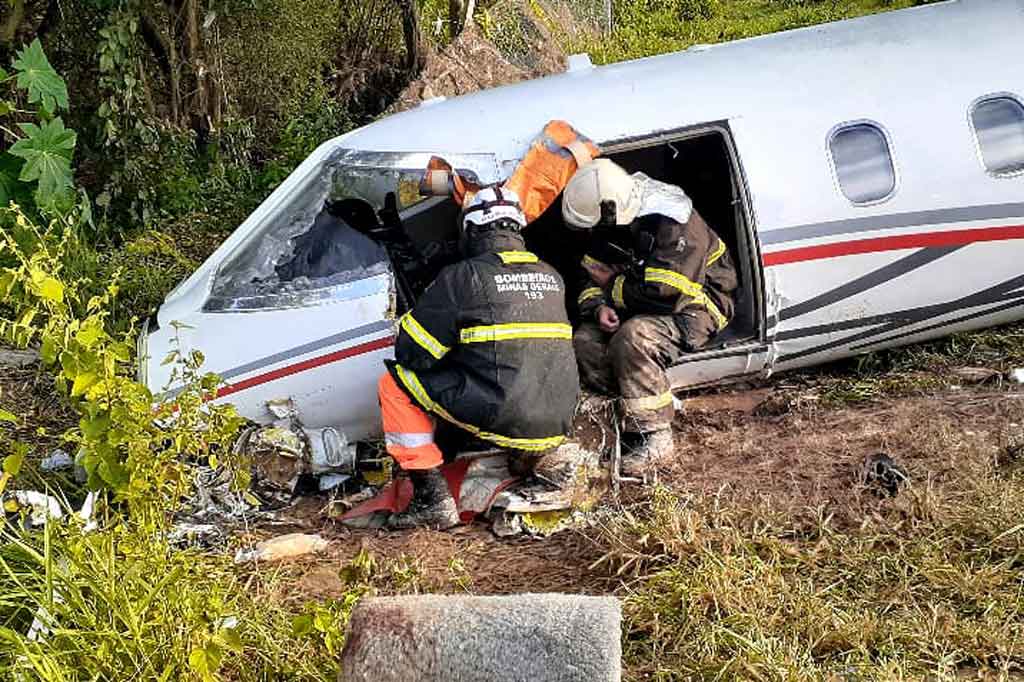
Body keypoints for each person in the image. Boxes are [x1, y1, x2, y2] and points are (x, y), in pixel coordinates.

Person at [377, 186, 580, 529]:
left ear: (470, 231)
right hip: (558, 420)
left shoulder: (463, 276)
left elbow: (413, 354)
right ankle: (523, 456)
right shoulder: (551, 275)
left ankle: (431, 498)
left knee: (394, 384)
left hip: (505, 415)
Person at [562, 159, 738, 477]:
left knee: (634, 337)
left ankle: (654, 438)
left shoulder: (675, 219)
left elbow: (665, 292)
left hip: (697, 305)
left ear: (610, 210)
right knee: (585, 341)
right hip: (642, 301)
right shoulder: (611, 220)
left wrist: (612, 287)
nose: (590, 232)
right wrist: (598, 307)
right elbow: (590, 276)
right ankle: (617, 426)